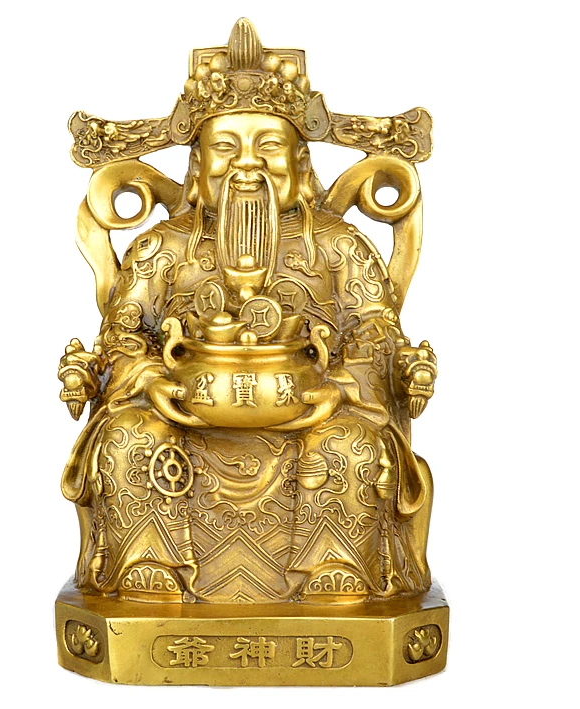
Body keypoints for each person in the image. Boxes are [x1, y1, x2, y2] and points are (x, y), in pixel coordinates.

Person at [58, 20, 437, 604]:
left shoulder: (337, 247)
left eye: (269, 147)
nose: (247, 166)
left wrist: (341, 387)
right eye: (226, 148)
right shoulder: (163, 249)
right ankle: (150, 573)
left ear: (300, 164)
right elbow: (123, 336)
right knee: (129, 437)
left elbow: (376, 333)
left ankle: (334, 575)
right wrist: (148, 379)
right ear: (198, 167)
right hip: (185, 409)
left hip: (312, 409)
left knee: (349, 445)